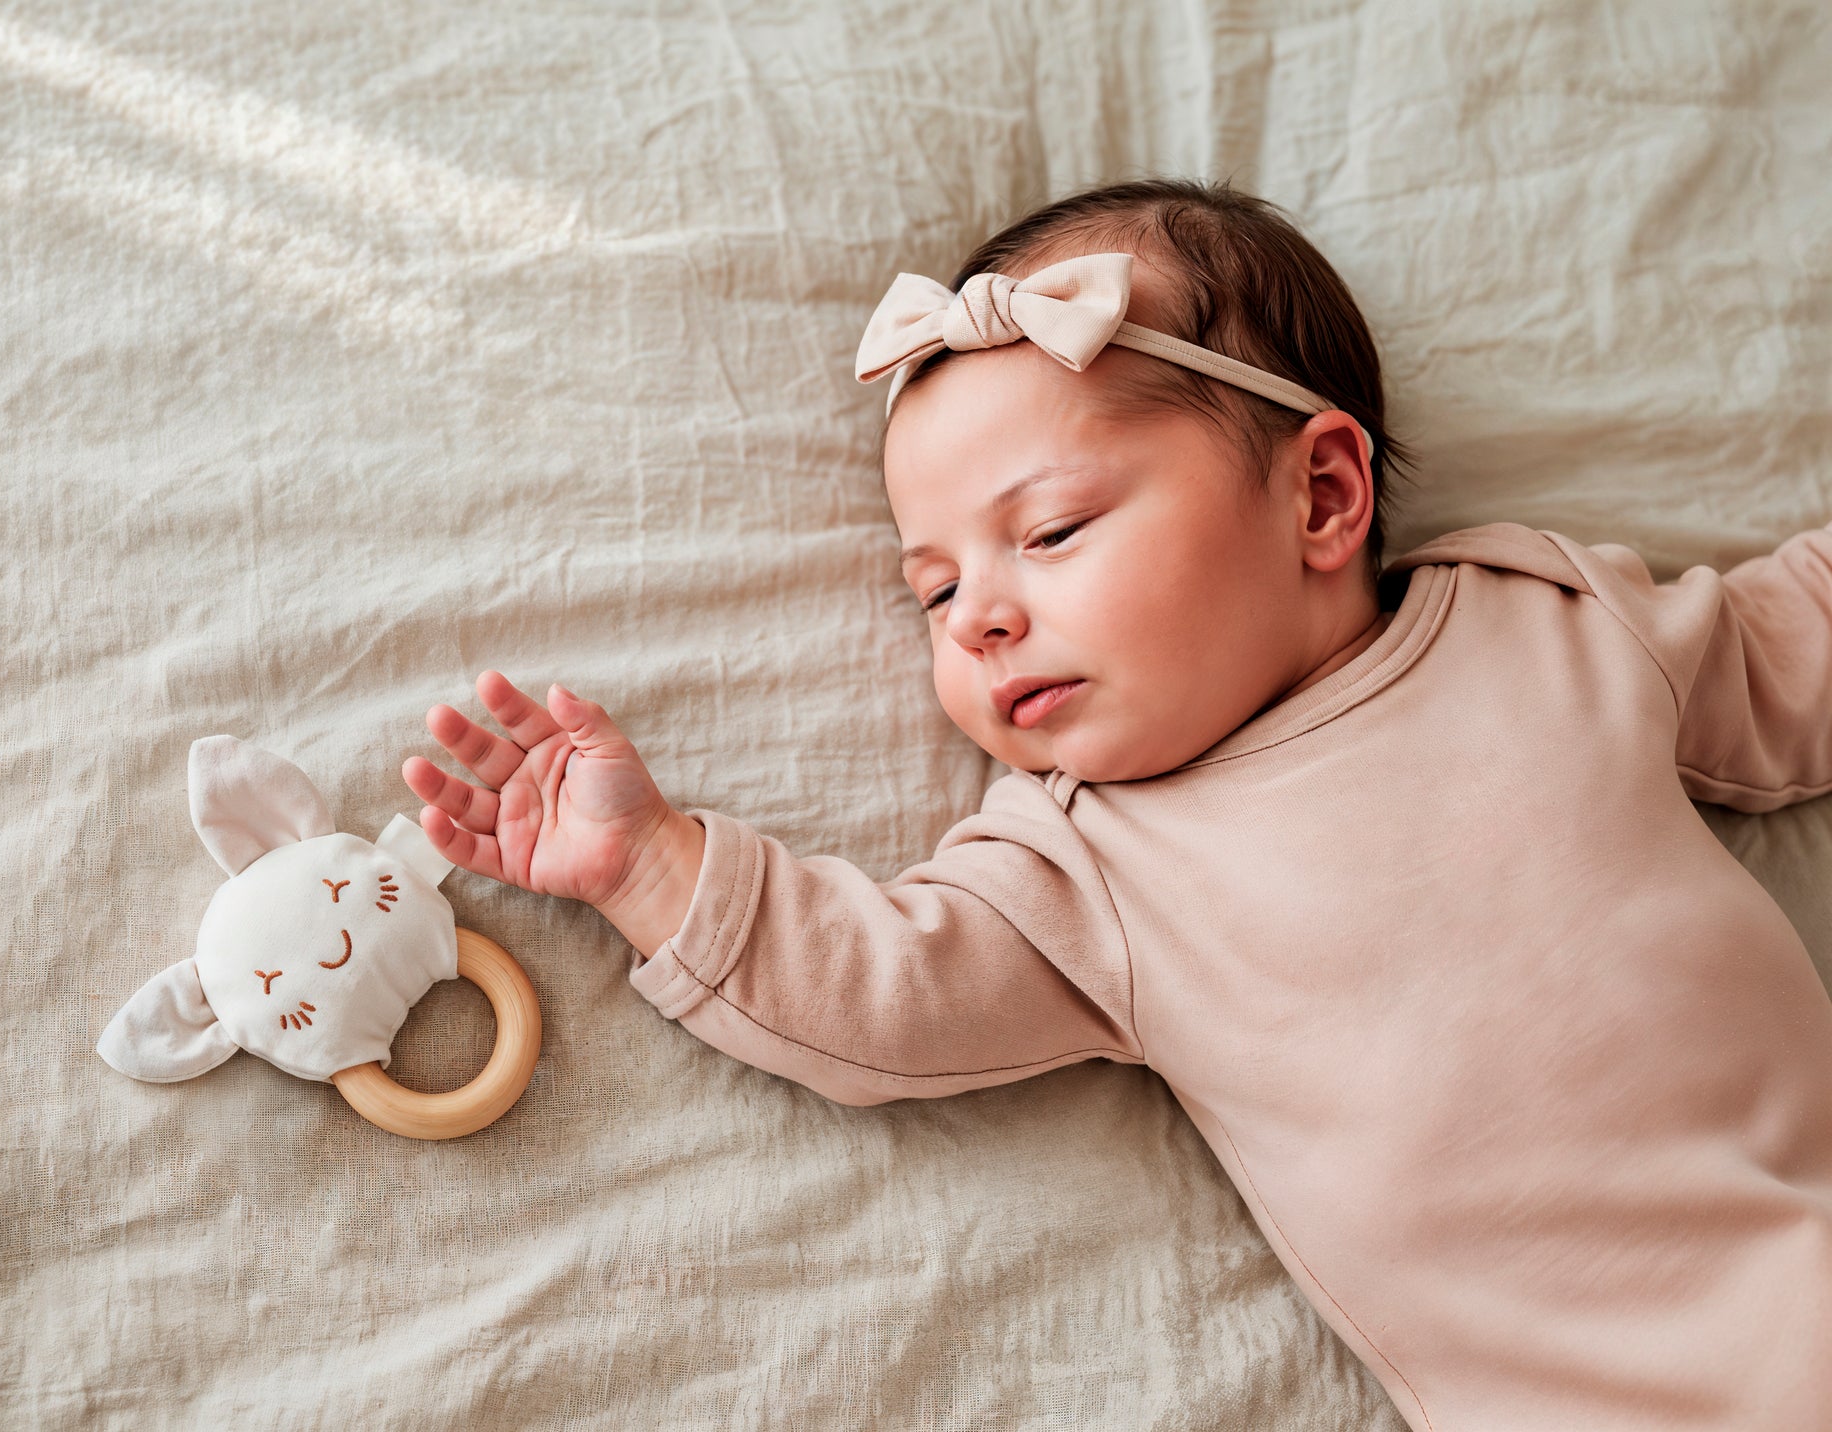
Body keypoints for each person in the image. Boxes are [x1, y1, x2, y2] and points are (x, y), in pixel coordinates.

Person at [401, 178, 1832, 1430]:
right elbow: (881, 996)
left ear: (1323, 494)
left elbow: (1794, 646)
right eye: (937, 589)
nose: (978, 621)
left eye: (1051, 532)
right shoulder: (1090, 866)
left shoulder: (1548, 622)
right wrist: (651, 867)